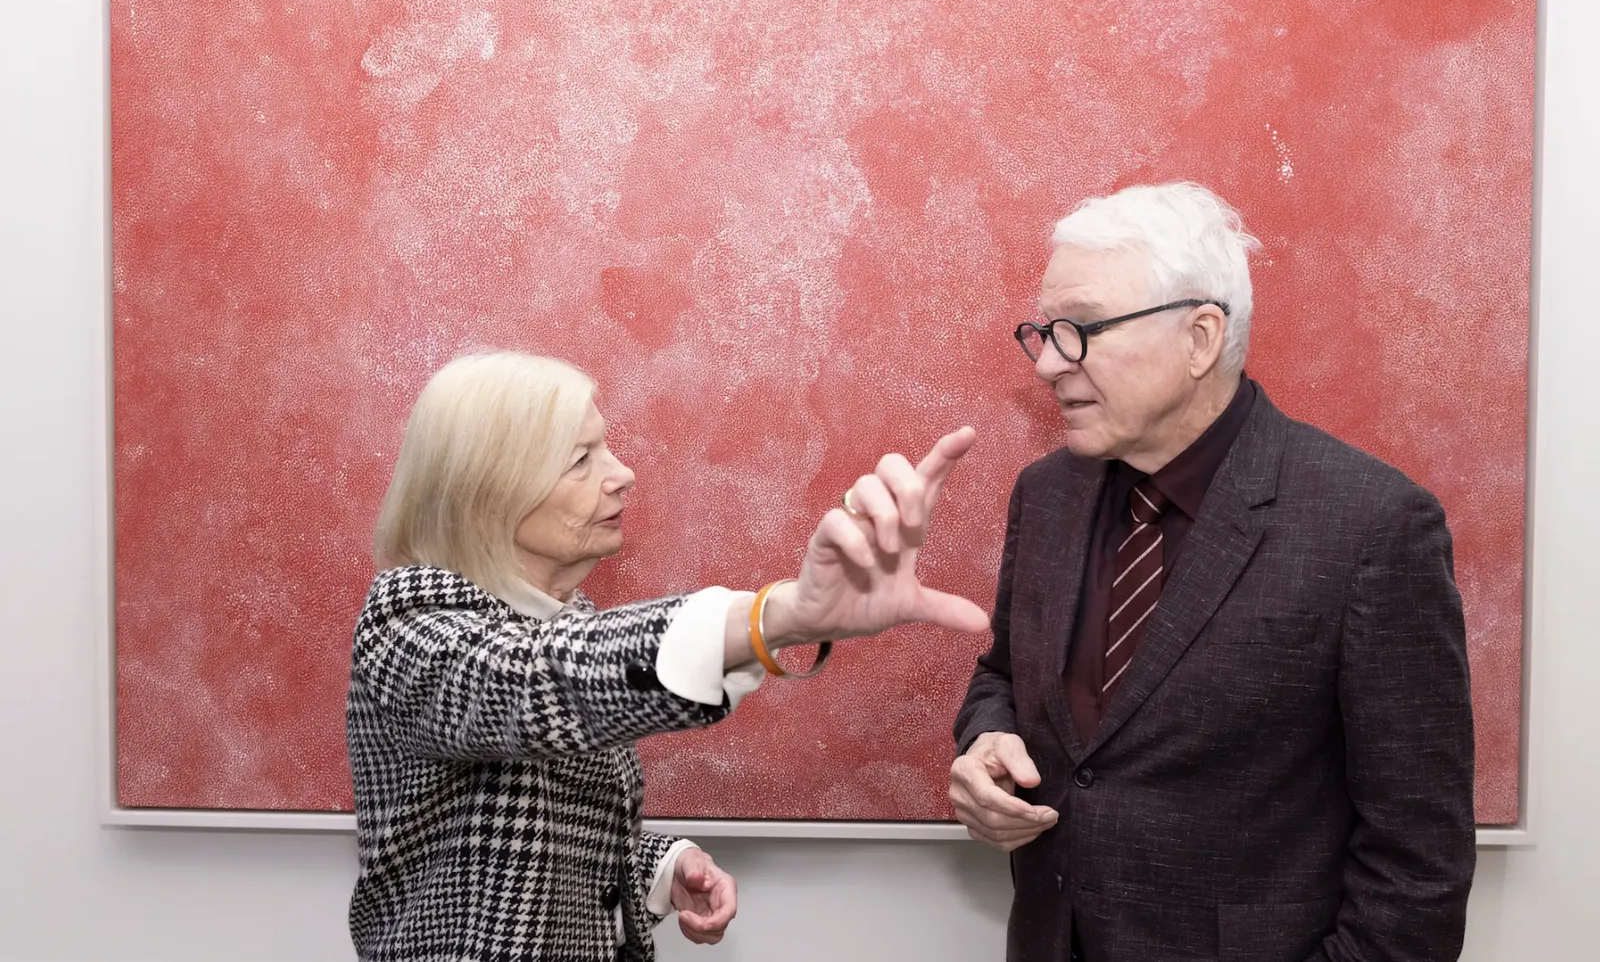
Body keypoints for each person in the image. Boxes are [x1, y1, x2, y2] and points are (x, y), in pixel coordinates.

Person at [950, 182, 1476, 962]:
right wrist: (988, 741)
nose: (1048, 364)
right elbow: (1001, 674)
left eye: (1080, 329)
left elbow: (1418, 872)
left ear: (1200, 338)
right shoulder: (1047, 494)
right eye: (1043, 332)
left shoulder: (1372, 526)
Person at [348, 350, 986, 962]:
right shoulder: (407, 626)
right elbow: (534, 681)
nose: (622, 473)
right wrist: (779, 616)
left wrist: (658, 867)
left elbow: (526, 823)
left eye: (606, 447)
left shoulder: (570, 620)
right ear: (489, 491)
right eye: (580, 459)